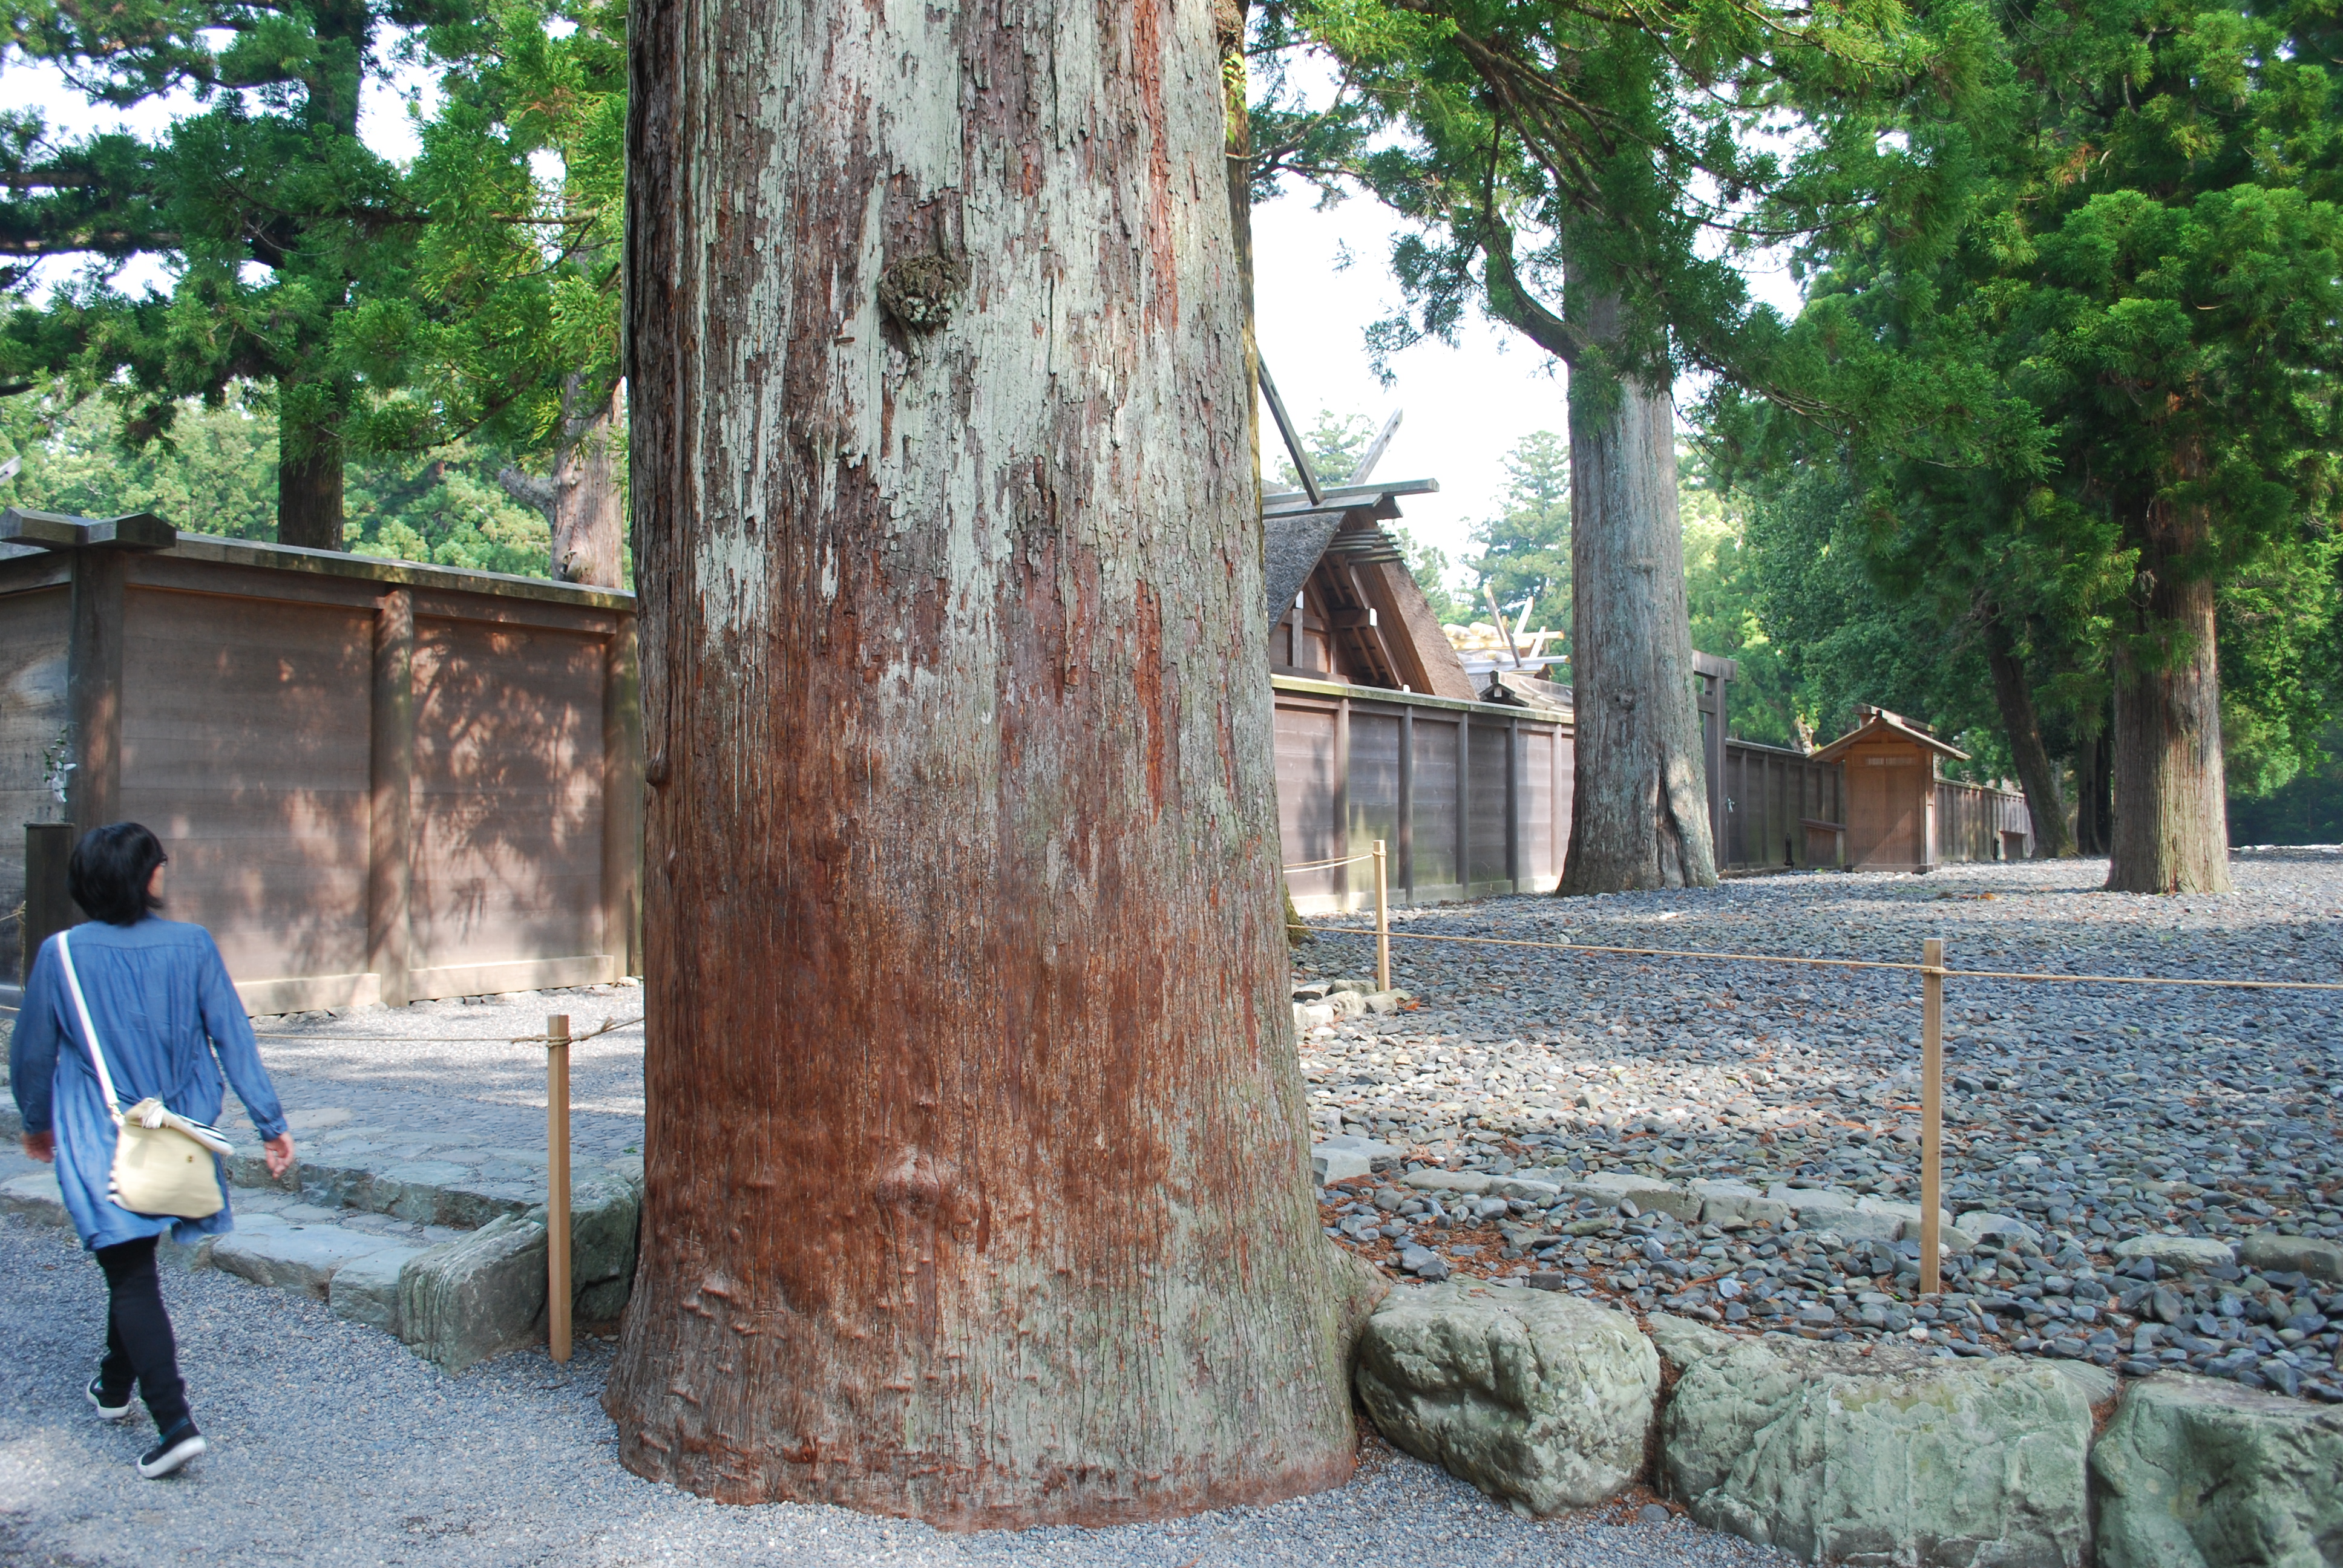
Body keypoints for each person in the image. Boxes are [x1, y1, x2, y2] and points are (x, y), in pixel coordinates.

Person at [11, 823, 296, 1479]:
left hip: (99, 1133)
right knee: (134, 1261)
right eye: (158, 864)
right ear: (139, 876)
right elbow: (233, 1037)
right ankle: (115, 1387)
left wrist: (37, 1121)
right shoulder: (193, 945)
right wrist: (269, 1122)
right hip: (175, 1131)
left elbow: (32, 1051)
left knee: (130, 1269)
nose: (166, 872)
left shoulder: (61, 955)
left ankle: (174, 1424)